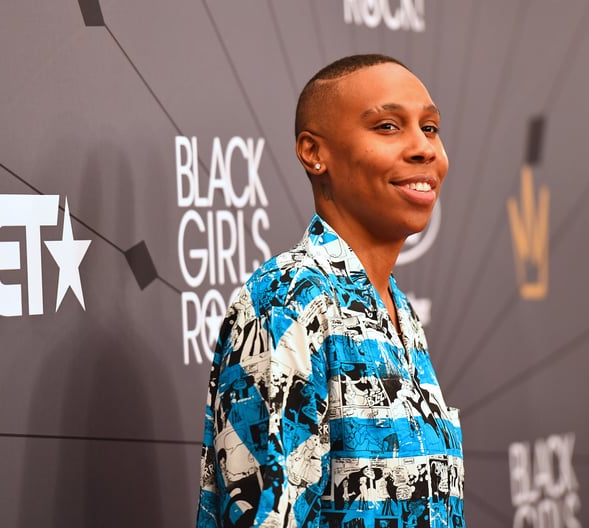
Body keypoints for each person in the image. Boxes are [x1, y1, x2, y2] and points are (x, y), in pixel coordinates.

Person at [196, 54, 465, 527]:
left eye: (430, 128)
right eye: (387, 127)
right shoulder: (287, 301)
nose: (424, 148)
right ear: (313, 152)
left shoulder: (397, 311)